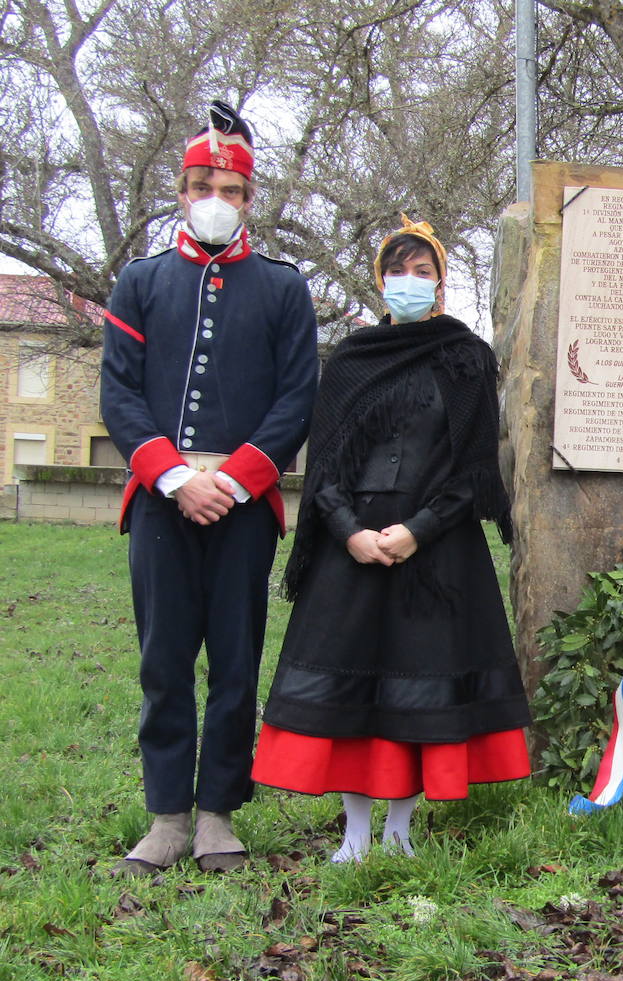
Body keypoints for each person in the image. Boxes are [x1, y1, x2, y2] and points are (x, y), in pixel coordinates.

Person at [251, 216, 531, 861]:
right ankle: (354, 834)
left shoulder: (466, 358)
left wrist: (417, 531)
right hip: (350, 550)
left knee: (416, 686)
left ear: (440, 283)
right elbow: (322, 464)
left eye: (423, 271)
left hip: (435, 550)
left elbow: (476, 470)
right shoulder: (350, 360)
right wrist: (349, 533)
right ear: (381, 281)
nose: (411, 281)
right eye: (398, 270)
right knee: (359, 687)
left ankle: (400, 831)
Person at [100, 102, 319, 875]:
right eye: (201, 184)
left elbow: (296, 398)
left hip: (243, 504)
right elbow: (119, 395)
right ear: (182, 189)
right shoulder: (141, 282)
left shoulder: (285, 289)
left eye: (229, 186)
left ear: (250, 197)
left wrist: (229, 480)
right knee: (163, 661)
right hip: (160, 500)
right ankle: (165, 815)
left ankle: (218, 814)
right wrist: (170, 475)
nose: (214, 197)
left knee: (234, 659)